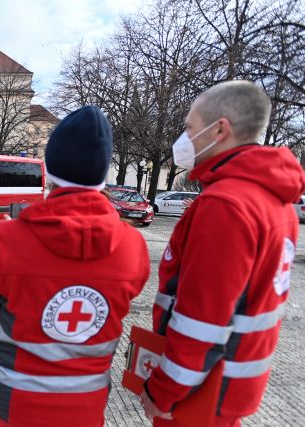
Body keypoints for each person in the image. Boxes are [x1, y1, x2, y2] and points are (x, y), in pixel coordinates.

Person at [0, 105, 150, 427]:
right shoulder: (133, 247)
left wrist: (1, 245)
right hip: (85, 410)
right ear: (102, 172)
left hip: (10, 406)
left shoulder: (11, 237)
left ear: (49, 169)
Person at [140, 81, 305, 426]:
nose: (183, 139)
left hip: (198, 394)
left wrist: (163, 391)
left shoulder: (225, 205)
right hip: (228, 387)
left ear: (219, 130)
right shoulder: (278, 203)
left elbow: (201, 322)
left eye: (189, 128)